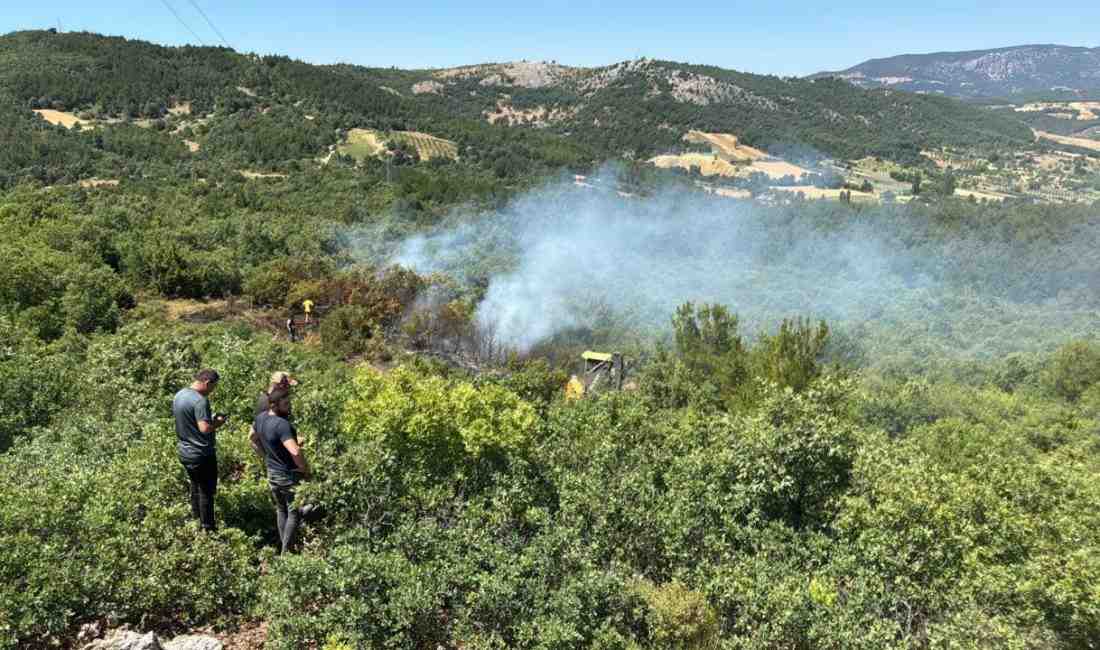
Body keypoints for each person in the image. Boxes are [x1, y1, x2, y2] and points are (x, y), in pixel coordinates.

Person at [251, 388, 310, 553]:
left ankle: (283, 548)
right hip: (288, 474)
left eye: (289, 403)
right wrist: (304, 469)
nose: (289, 406)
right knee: (294, 512)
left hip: (272, 473)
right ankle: (287, 552)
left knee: (281, 509)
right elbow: (295, 451)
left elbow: (252, 439)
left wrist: (266, 457)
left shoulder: (260, 418)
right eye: (285, 404)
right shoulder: (282, 425)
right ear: (273, 405)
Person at [172, 369, 228, 531]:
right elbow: (204, 428)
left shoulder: (179, 395)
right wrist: (217, 422)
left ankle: (195, 520)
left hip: (185, 451)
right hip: (202, 454)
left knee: (195, 486)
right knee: (207, 492)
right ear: (207, 383)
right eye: (213, 387)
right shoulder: (200, 401)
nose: (213, 390)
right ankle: (208, 529)